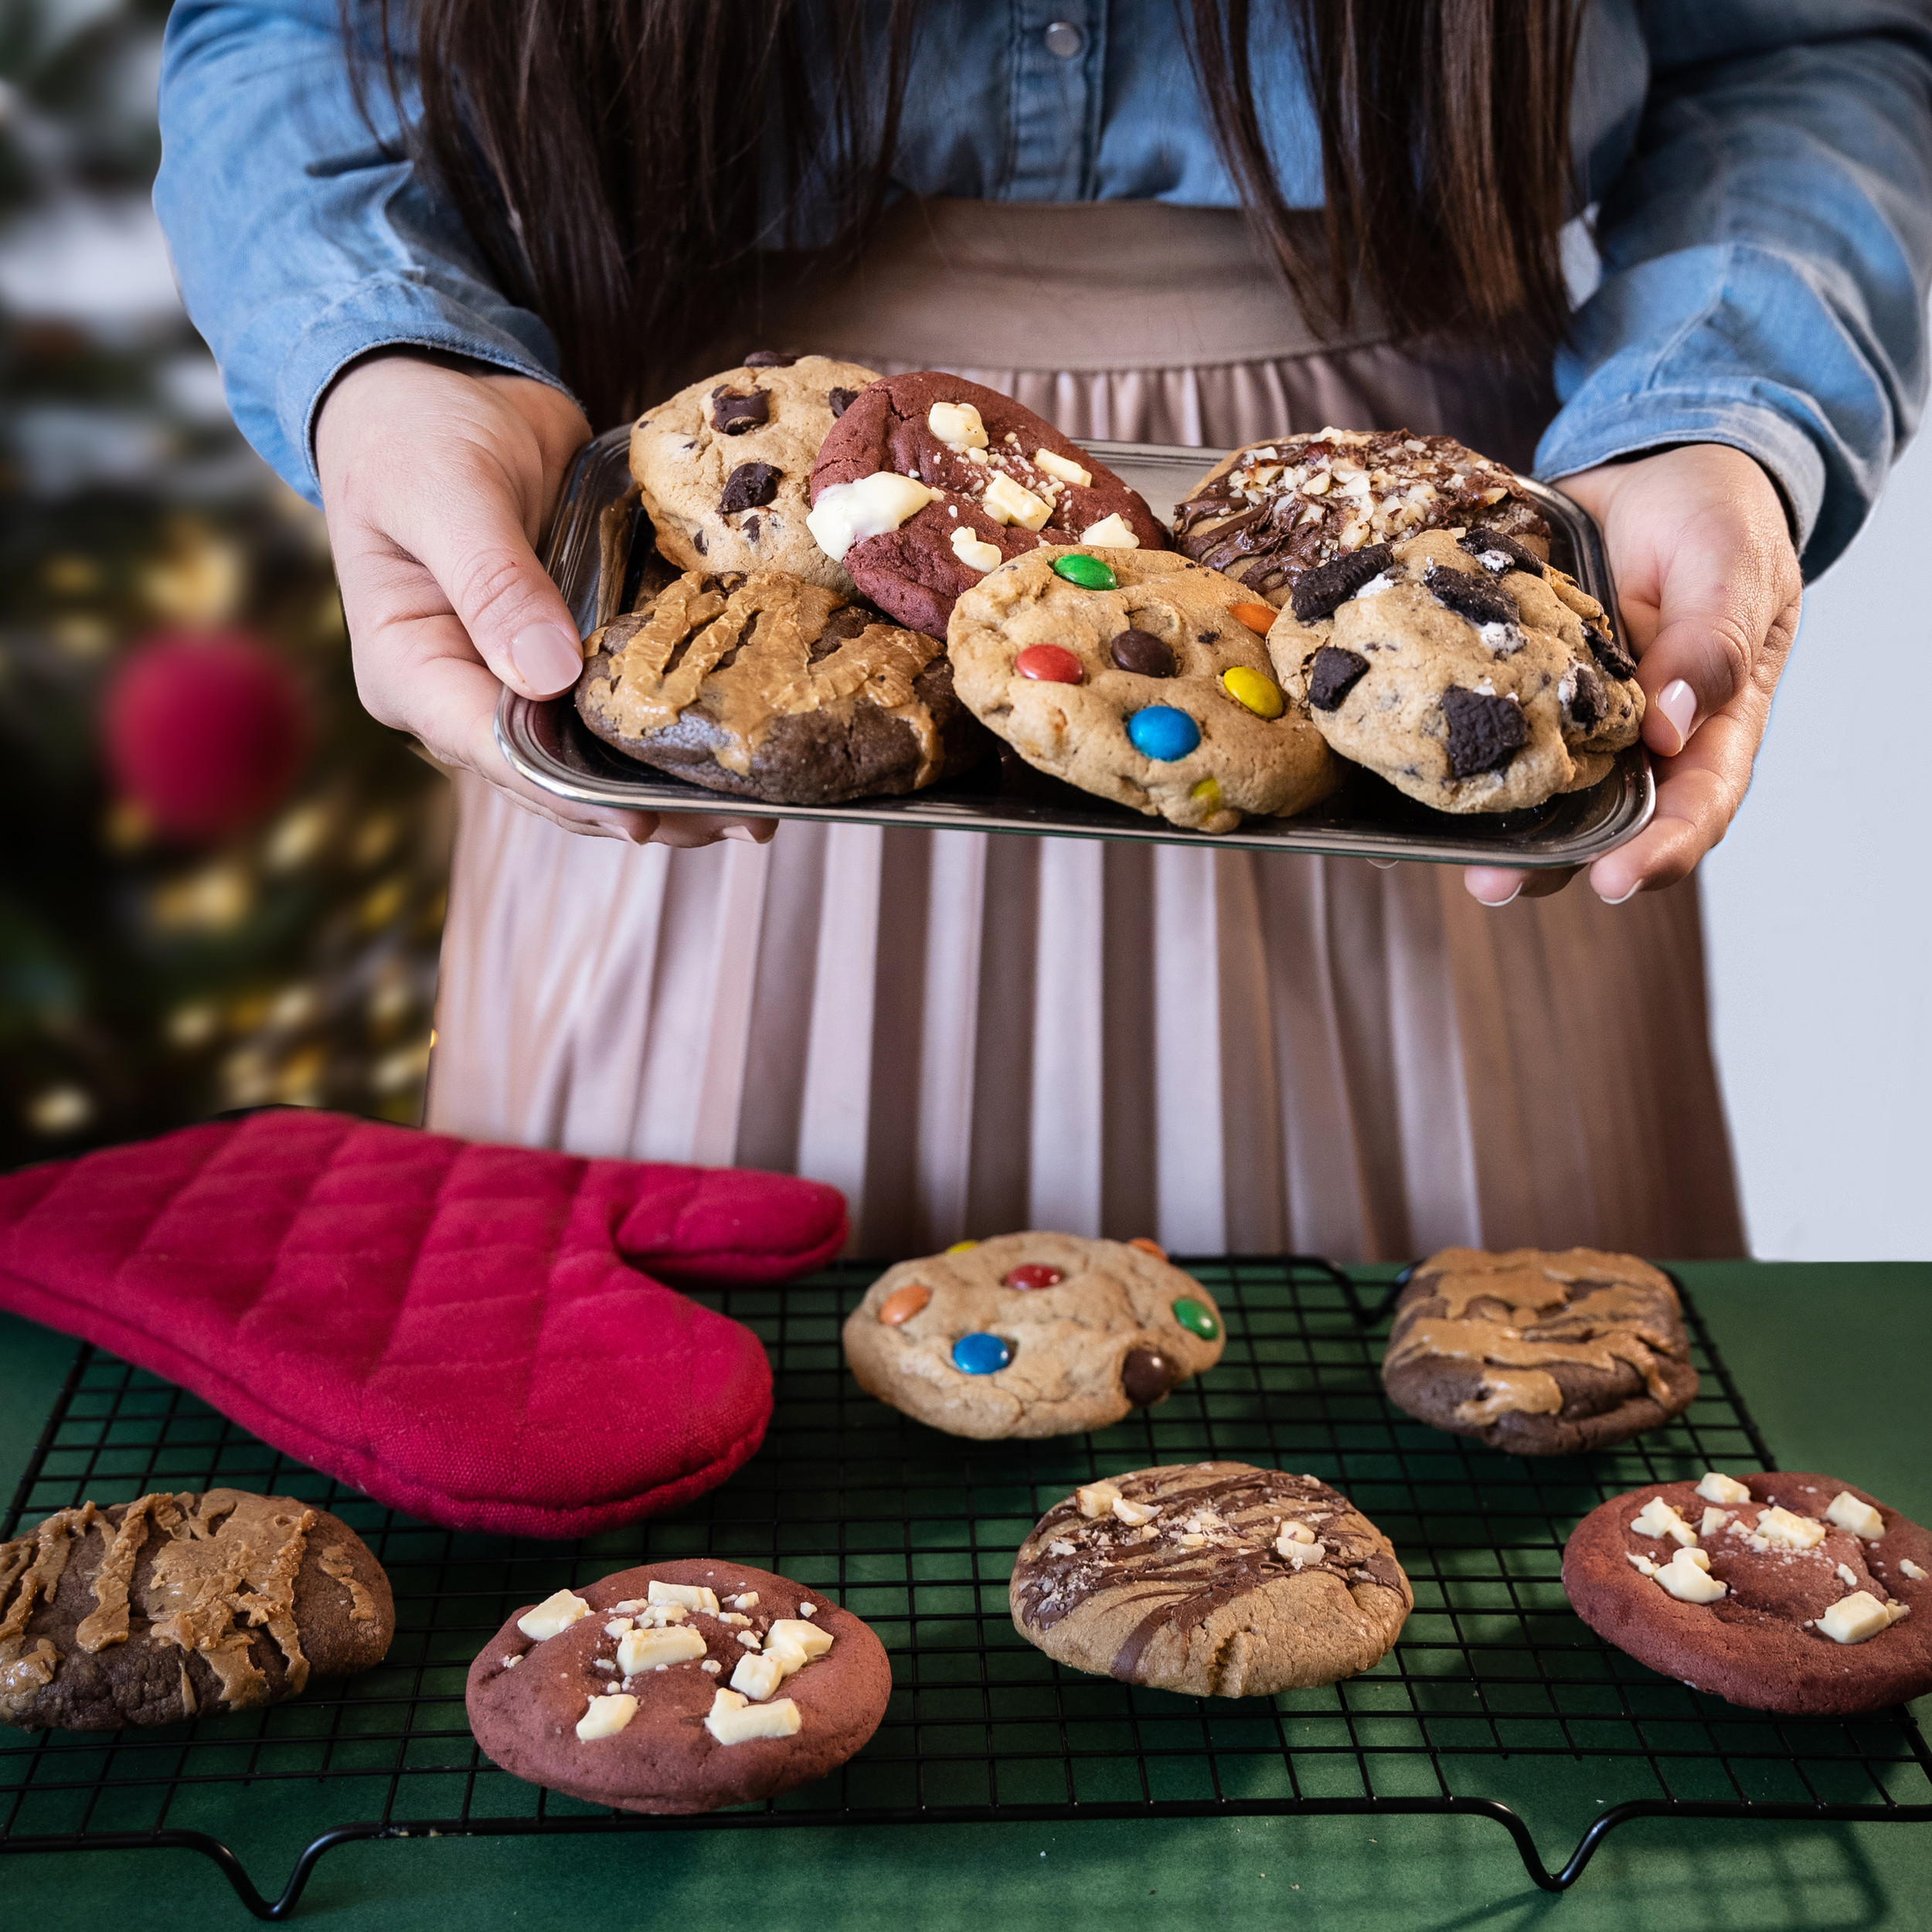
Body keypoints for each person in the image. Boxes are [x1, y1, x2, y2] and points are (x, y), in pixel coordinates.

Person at [155, 2, 1932, 1258]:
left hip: (1395, 572)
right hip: (731, 620)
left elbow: (1800, 44)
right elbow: (299, 27)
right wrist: (385, 361)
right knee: (670, 1462)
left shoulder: (1456, 651)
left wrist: (1714, 423)